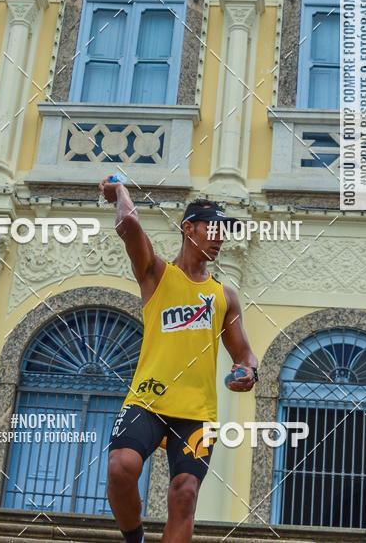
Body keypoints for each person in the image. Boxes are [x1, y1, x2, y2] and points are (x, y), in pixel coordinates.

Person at [101, 179, 259, 543]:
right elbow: (129, 225)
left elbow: (244, 354)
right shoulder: (156, 274)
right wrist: (121, 193)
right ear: (188, 228)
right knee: (121, 467)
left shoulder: (224, 296)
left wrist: (247, 371)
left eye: (225, 232)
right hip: (149, 399)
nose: (220, 239)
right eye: (213, 229)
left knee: (185, 493)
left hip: (197, 413)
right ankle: (135, 538)